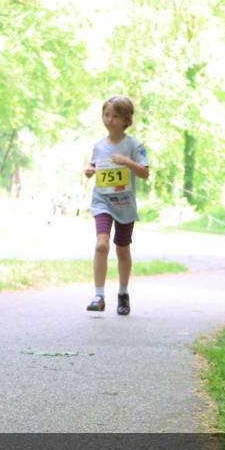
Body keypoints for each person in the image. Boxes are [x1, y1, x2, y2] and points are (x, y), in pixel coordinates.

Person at [83, 96, 150, 315]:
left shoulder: (134, 145)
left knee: (122, 249)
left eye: (115, 116)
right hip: (102, 201)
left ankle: (123, 293)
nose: (109, 120)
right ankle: (99, 295)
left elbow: (145, 173)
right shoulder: (99, 146)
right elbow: (93, 166)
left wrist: (127, 162)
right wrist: (89, 170)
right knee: (101, 245)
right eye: (106, 115)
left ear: (126, 120)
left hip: (124, 205)